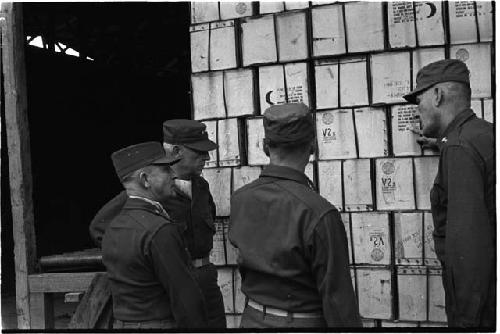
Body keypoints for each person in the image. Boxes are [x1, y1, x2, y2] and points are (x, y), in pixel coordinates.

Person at [228, 103, 361, 328]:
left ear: (265, 147)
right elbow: (338, 299)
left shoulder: (241, 198)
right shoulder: (319, 212)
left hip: (251, 320)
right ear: (313, 146)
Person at [89, 120, 226, 328]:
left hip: (205, 279)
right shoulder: (145, 193)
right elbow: (104, 229)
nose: (206, 158)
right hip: (169, 283)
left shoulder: (201, 187)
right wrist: (145, 267)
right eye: (199, 153)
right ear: (178, 151)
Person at [404, 59, 495, 328]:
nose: (416, 111)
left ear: (438, 95)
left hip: (481, 310)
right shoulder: (482, 134)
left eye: (418, 100)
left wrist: (466, 322)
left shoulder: (459, 149)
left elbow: (469, 249)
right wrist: (443, 146)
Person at [102, 141, 208, 329]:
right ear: (145, 179)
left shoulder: (114, 227)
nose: (174, 174)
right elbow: (186, 300)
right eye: (166, 170)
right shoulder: (160, 230)